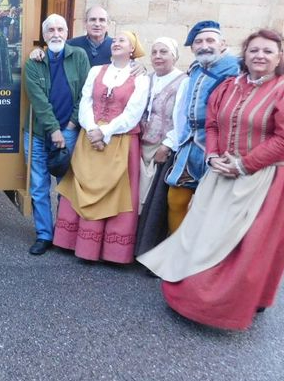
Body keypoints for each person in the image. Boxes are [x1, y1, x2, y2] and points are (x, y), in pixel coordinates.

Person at [139, 29, 284, 330]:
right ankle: (195, 294)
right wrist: (213, 156)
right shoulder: (230, 86)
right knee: (207, 233)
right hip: (224, 170)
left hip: (270, 176)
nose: (260, 56)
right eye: (254, 50)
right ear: (243, 54)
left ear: (279, 57)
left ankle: (237, 302)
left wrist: (245, 165)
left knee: (250, 243)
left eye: (268, 51)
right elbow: (212, 124)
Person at [52, 31, 149, 263]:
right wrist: (91, 127)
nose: (116, 42)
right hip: (89, 137)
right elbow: (85, 101)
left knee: (114, 192)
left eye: (122, 41)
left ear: (132, 49)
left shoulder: (141, 78)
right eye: (114, 40)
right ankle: (73, 243)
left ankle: (110, 251)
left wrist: (104, 132)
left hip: (119, 140)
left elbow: (133, 113)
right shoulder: (97, 71)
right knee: (82, 185)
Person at [23, 14, 90, 255]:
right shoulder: (34, 62)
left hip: (69, 131)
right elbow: (38, 100)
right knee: (39, 186)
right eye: (50, 30)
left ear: (67, 32)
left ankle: (64, 234)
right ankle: (44, 234)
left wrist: (70, 125)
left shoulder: (79, 57)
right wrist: (54, 130)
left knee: (66, 185)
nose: (56, 33)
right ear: (44, 35)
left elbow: (85, 93)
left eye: (60, 28)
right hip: (38, 133)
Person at [164, 20, 239, 232]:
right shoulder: (196, 67)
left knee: (212, 205)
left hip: (218, 145)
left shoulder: (238, 68)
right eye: (198, 42)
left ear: (222, 44)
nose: (204, 45)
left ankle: (203, 259)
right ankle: (175, 253)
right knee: (176, 199)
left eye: (210, 40)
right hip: (190, 141)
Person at [134, 37, 186, 256]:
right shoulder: (147, 78)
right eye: (154, 52)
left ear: (174, 56)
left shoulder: (182, 81)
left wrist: (168, 144)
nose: (158, 56)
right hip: (141, 143)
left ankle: (153, 252)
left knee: (156, 203)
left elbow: (182, 118)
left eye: (163, 52)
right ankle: (134, 247)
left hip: (163, 147)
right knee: (137, 198)